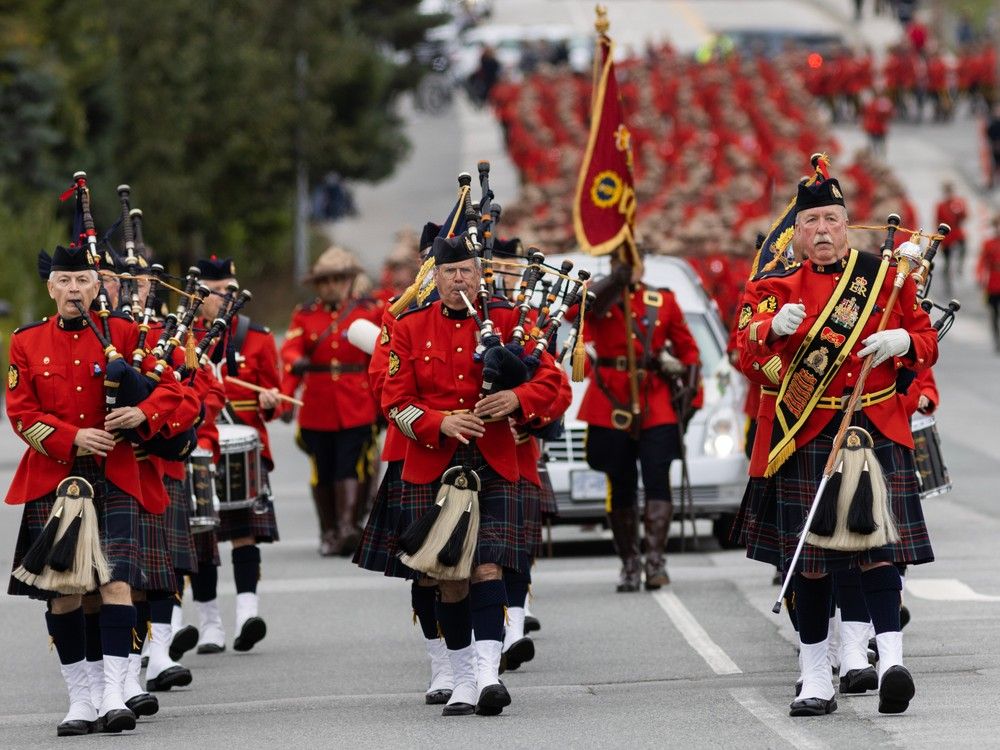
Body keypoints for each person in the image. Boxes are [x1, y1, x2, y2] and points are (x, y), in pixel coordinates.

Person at [734, 176, 938, 716]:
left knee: (878, 552)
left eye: (830, 220)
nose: (821, 231)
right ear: (795, 233)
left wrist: (903, 341)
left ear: (847, 225)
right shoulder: (772, 290)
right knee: (814, 564)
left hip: (873, 429)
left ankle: (891, 661)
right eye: (810, 223)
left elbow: (925, 342)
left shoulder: (886, 279)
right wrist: (772, 329)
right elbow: (747, 359)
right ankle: (814, 675)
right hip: (807, 433)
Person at [379, 235, 565, 717]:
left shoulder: (508, 321)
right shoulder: (408, 326)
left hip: (497, 461)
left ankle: (486, 676)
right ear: (434, 277)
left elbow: (554, 384)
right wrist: (438, 422)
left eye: (466, 271)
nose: (457, 279)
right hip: (435, 465)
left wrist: (518, 400)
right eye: (449, 272)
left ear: (479, 275)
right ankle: (460, 676)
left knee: (487, 568)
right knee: (448, 579)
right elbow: (394, 402)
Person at [6, 245, 183, 735]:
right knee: (63, 593)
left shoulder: (126, 336)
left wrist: (144, 412)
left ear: (97, 285)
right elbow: (22, 413)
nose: (73, 290)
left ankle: (112, 691)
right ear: (51, 287)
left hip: (117, 473)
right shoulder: (26, 342)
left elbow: (176, 390)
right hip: (58, 479)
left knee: (116, 584)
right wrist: (71, 437)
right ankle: (80, 697)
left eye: (82, 281)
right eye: (63, 281)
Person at [579, 257, 700, 593]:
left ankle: (655, 561)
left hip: (655, 399)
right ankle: (630, 563)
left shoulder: (663, 300)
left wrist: (691, 394)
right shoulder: (599, 296)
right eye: (621, 262)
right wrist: (613, 282)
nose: (628, 268)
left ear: (642, 266)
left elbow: (689, 351)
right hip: (610, 398)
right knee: (620, 481)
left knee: (658, 477)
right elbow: (581, 311)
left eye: (632, 262)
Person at [187, 256, 281, 654]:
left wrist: (269, 399)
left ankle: (247, 614)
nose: (226, 297)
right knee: (202, 538)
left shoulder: (256, 337)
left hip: (246, 445)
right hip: (202, 444)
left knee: (245, 534)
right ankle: (210, 625)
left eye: (230, 289)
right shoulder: (182, 338)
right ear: (199, 294)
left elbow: (275, 402)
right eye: (218, 291)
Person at [281, 246, 381, 556]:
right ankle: (328, 531)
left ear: (349, 280)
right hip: (318, 404)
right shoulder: (305, 313)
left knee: (350, 465)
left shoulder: (370, 311)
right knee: (322, 469)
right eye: (324, 281)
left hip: (357, 401)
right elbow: (291, 348)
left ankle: (348, 527)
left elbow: (383, 353)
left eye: (338, 279)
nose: (331, 286)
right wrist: (289, 388)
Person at [934, 181, 968, 291]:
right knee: (947, 259)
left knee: (964, 247)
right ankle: (947, 274)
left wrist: (960, 212)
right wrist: (938, 237)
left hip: (957, 231)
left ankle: (959, 265)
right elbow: (937, 221)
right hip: (947, 235)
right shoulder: (940, 205)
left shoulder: (958, 202)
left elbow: (965, 216)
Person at [977, 214, 1000, 352]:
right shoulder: (988, 243)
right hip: (993, 283)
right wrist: (980, 277)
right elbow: (982, 262)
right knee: (994, 312)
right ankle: (996, 338)